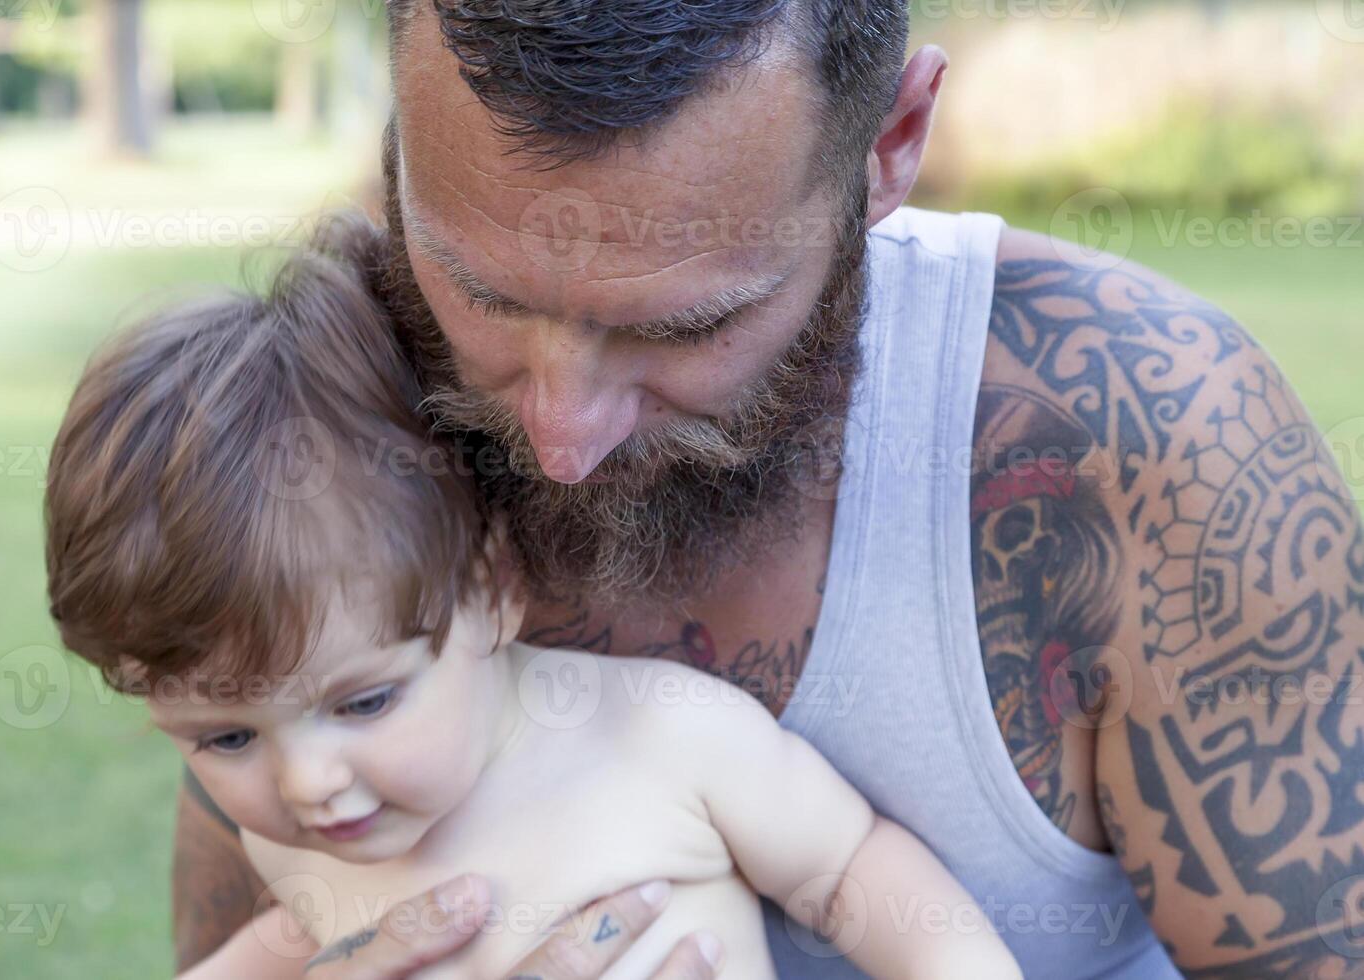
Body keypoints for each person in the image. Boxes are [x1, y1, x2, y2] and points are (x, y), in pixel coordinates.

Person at [172, 2, 1364, 977]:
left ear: (892, 145)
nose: (560, 434)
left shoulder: (1144, 436)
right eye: (481, 291)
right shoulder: (337, 423)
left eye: (685, 325)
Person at [43, 220, 1022, 980]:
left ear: (494, 587)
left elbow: (853, 869)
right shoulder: (288, 842)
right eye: (226, 736)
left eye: (366, 700)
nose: (306, 782)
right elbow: (274, 947)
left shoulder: (660, 736)